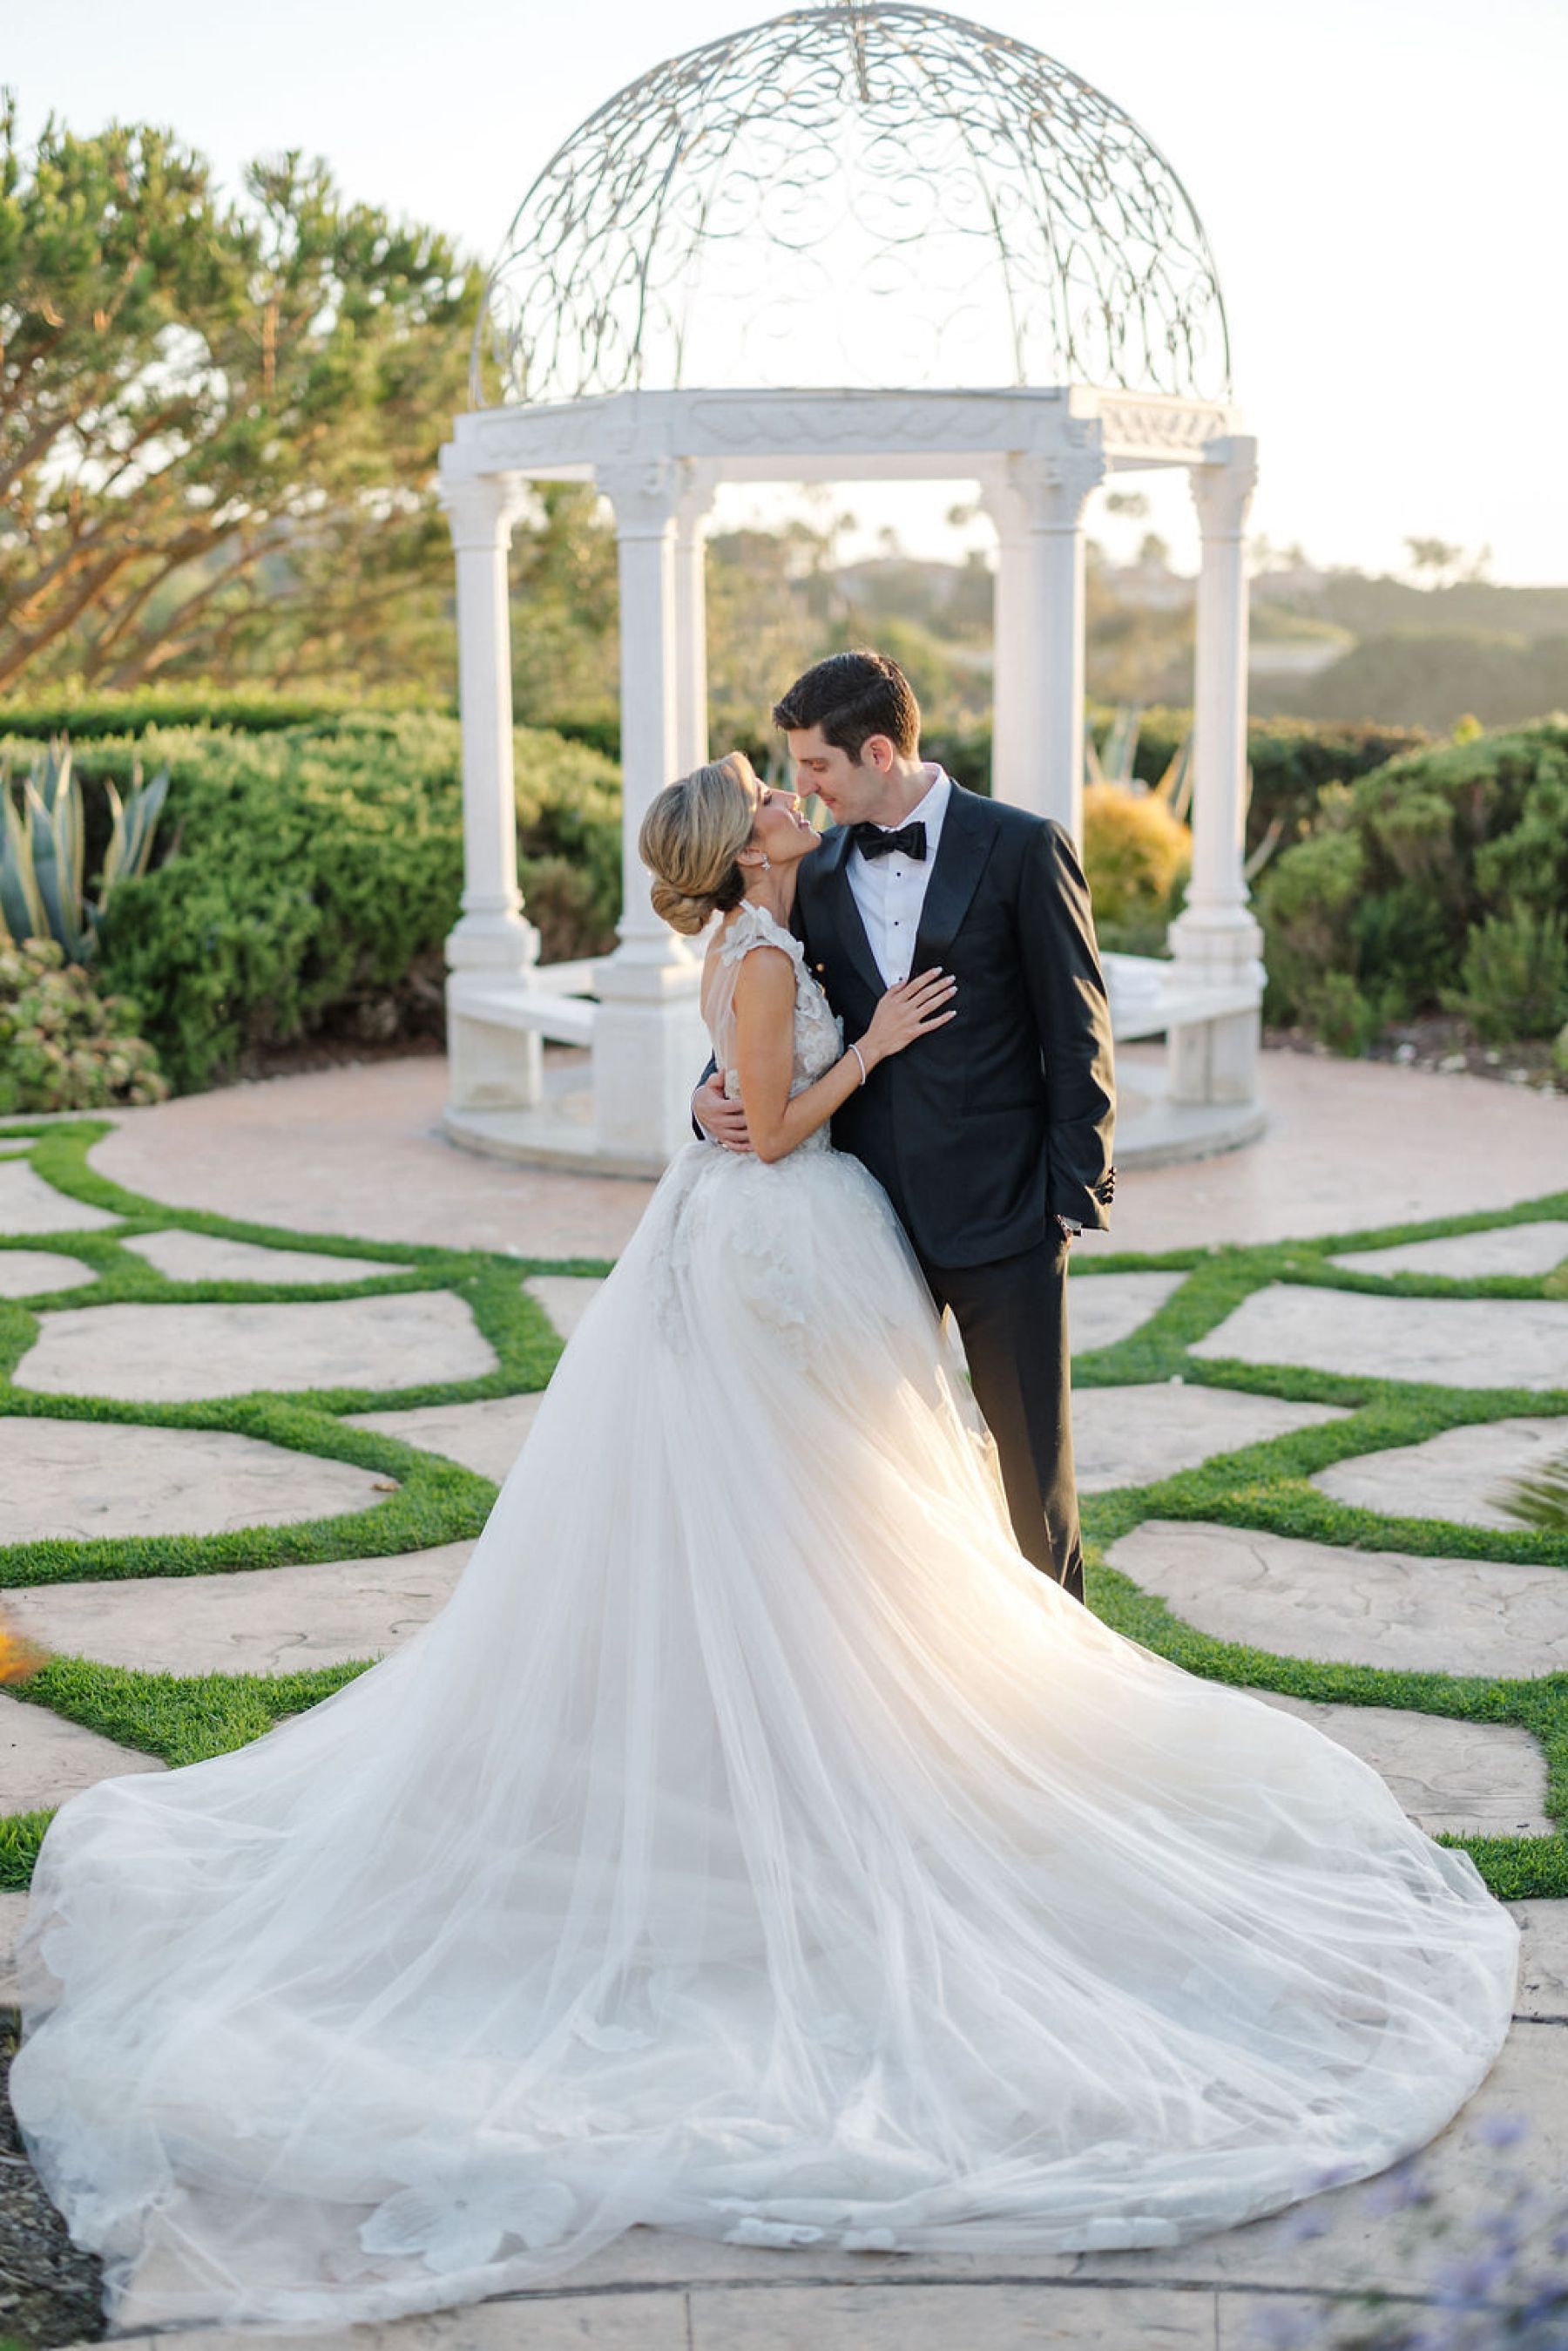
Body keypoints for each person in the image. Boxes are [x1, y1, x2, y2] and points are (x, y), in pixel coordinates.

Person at [13, 751, 1517, 2336]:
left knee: (835, 1535)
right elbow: (777, 1126)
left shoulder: (796, 923)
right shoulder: (764, 951)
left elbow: (753, 1093)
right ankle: (785, 1784)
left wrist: (795, 1066)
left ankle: (845, 1738)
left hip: (802, 1250)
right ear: (747, 846)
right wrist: (861, 1046)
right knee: (787, 1526)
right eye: (767, 789)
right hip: (771, 1250)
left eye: (792, 776)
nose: (789, 793)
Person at [694, 649, 1113, 1601]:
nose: (801, 788)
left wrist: (1069, 1198)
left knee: (1030, 1485)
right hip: (863, 1231)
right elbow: (769, 1003)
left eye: (816, 767)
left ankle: (1066, 1690)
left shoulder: (1021, 846)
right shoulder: (816, 865)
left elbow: (1078, 1031)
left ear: (878, 752)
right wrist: (699, 1098)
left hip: (1005, 1222)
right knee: (875, 1478)